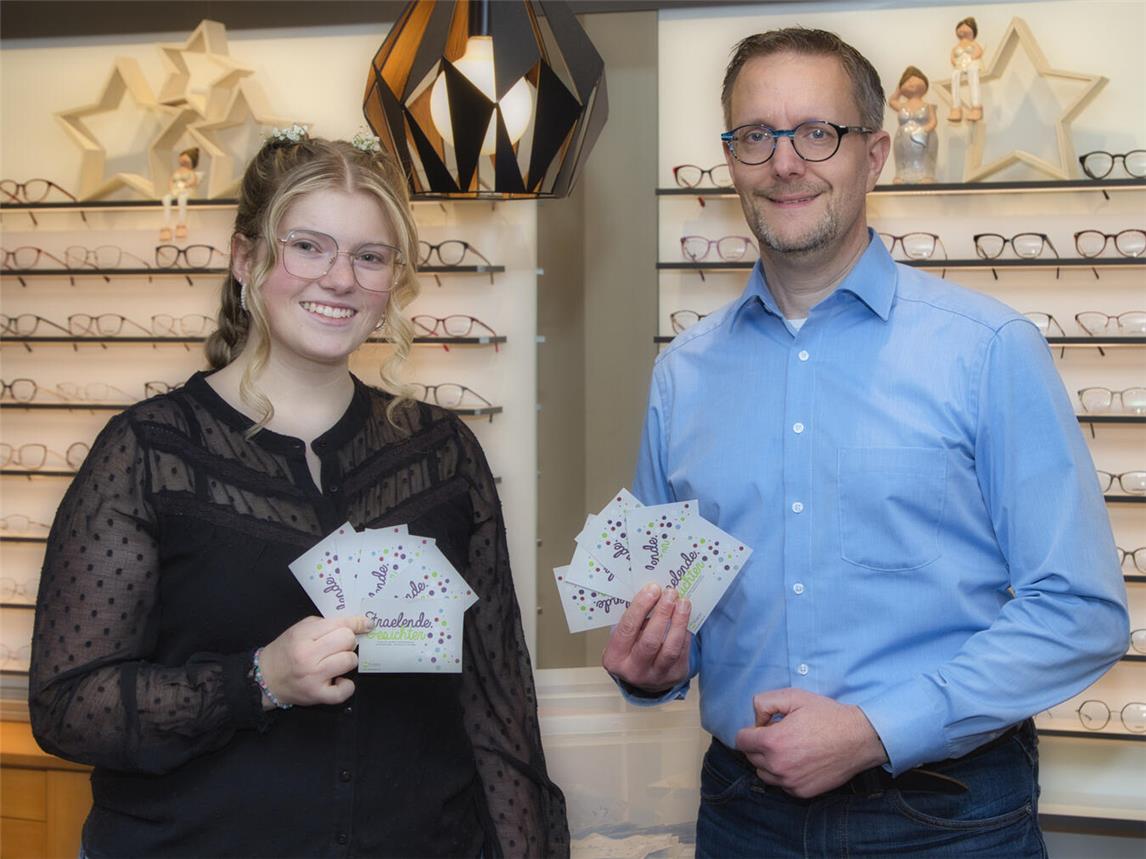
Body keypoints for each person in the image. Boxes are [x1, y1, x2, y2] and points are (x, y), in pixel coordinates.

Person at [603, 27, 1127, 858]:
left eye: (818, 132)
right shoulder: (684, 376)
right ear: (730, 157)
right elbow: (677, 617)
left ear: (875, 153)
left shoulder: (988, 350)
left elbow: (1081, 612)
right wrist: (651, 666)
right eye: (755, 137)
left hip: (947, 819)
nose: (784, 162)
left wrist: (876, 729)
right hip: (743, 815)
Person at [30, 132, 568, 858]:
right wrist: (257, 679)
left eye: (369, 256)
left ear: (393, 282)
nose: (339, 278)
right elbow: (69, 707)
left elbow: (498, 710)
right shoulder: (150, 454)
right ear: (246, 258)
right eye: (309, 246)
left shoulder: (441, 457)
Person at [888, 65, 938, 183]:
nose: (910, 81)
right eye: (906, 80)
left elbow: (933, 121)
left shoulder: (928, 106)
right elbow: (891, 101)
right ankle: (902, 176)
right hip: (903, 141)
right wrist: (898, 90)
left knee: (924, 158)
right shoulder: (902, 106)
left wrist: (925, 130)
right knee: (903, 158)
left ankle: (926, 175)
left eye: (914, 78)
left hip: (924, 138)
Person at [160, 146, 200, 240]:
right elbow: (170, 181)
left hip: (185, 191)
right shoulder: (177, 172)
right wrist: (172, 188)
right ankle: (166, 225)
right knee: (166, 199)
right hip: (175, 191)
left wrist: (185, 185)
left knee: (182, 200)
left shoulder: (191, 172)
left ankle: (181, 224)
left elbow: (193, 181)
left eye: (186, 161)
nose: (183, 163)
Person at [949, 16, 984, 123]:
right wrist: (956, 62)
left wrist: (971, 58)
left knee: (973, 76)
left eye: (966, 27)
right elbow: (952, 56)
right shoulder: (957, 46)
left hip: (971, 64)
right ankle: (956, 108)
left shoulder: (973, 43)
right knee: (954, 77)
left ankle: (976, 106)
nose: (963, 29)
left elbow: (978, 51)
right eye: (961, 28)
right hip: (960, 66)